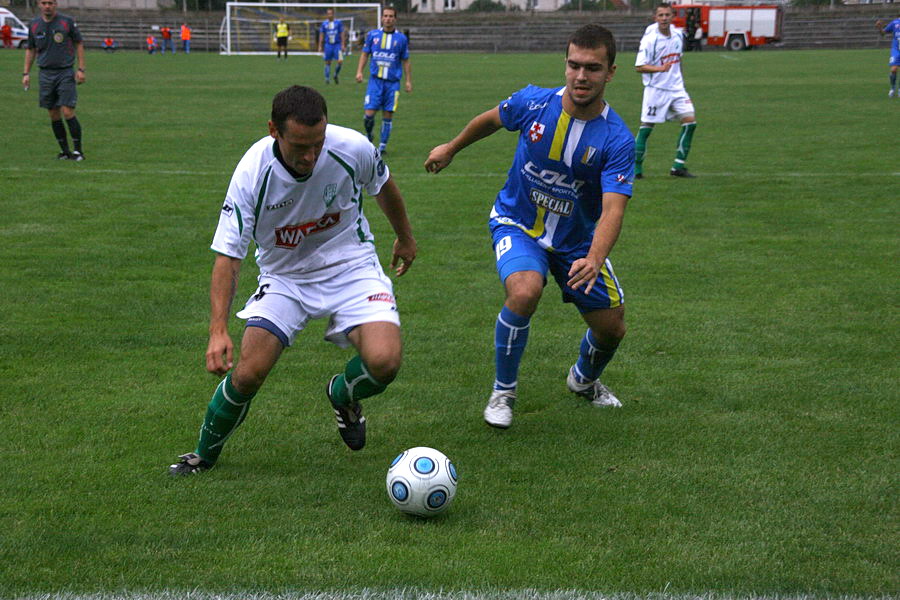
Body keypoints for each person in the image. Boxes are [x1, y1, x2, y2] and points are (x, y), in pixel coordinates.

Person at [168, 85, 417, 475]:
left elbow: (382, 185)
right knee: (248, 373)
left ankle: (342, 394)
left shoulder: (351, 147)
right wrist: (218, 329)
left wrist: (404, 236)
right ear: (274, 130)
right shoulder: (252, 172)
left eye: (317, 143)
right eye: (300, 146)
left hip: (351, 265)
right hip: (285, 276)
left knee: (385, 362)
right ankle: (203, 454)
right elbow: (228, 257)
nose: (311, 156)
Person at [424, 23, 634, 429]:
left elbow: (613, 210)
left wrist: (594, 257)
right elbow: (490, 119)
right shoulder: (535, 103)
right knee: (524, 291)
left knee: (612, 329)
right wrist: (451, 148)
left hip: (576, 244)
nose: (580, 76)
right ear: (565, 64)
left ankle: (583, 381)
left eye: (592, 68)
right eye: (574, 65)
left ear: (610, 73)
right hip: (516, 223)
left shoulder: (617, 139)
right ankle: (503, 392)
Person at [634, 2, 697, 179]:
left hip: (677, 89)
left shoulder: (678, 34)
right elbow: (639, 66)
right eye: (660, 15)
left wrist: (681, 81)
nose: (664, 18)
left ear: (672, 16)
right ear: (656, 18)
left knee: (690, 122)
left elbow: (678, 60)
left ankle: (678, 166)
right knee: (647, 126)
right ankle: (636, 170)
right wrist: (660, 69)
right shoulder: (650, 40)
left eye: (667, 15)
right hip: (656, 90)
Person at [22, 0, 86, 161]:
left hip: (64, 72)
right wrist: (26, 73)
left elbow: (79, 43)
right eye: (44, 3)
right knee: (53, 113)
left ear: (56, 4)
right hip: (45, 74)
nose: (47, 6)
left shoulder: (66, 22)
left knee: (67, 111)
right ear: (39, 4)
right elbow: (30, 49)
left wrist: (81, 69)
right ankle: (65, 151)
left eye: (50, 2)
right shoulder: (34, 25)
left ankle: (78, 151)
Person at [356, 6, 411, 155]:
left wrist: (408, 81)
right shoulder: (373, 35)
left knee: (388, 115)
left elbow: (405, 60)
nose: (388, 19)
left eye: (391, 16)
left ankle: (382, 147)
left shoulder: (401, 39)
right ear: (382, 18)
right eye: (385, 16)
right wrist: (359, 71)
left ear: (395, 19)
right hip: (375, 81)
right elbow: (365, 54)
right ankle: (369, 135)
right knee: (369, 115)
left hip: (392, 83)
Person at [318, 8, 344, 83]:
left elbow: (341, 33)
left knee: (340, 61)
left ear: (333, 14)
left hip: (337, 45)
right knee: (328, 62)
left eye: (330, 13)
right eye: (328, 14)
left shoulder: (338, 23)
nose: (329, 15)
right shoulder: (324, 24)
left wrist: (343, 44)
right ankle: (327, 79)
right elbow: (322, 35)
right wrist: (320, 45)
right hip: (328, 45)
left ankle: (335, 75)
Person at [876, 16, 900, 97]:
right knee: (893, 69)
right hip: (896, 49)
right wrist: (880, 28)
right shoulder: (895, 22)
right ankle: (892, 88)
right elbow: (883, 33)